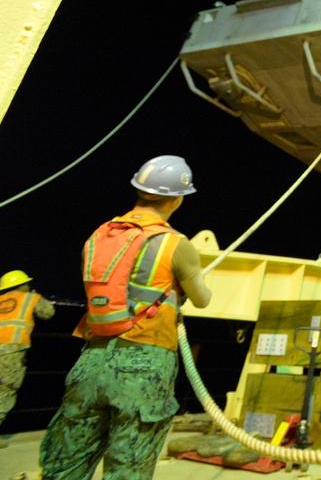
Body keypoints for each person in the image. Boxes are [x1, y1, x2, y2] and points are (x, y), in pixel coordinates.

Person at [40, 155, 212, 480]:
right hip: (146, 362)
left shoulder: (100, 236)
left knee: (66, 461)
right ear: (177, 199)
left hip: (91, 359)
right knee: (129, 465)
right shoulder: (176, 244)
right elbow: (202, 300)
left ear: (139, 190)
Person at [0, 270, 55, 428]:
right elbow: (48, 313)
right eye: (26, 283)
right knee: (5, 390)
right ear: (22, 285)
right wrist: (36, 295)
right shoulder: (30, 298)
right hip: (12, 350)